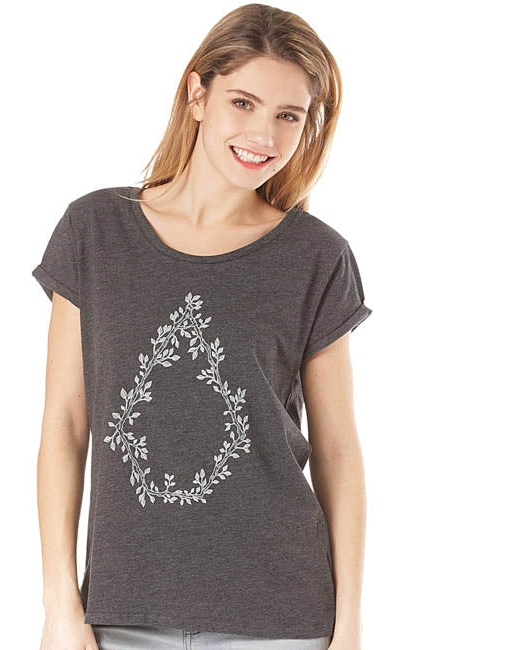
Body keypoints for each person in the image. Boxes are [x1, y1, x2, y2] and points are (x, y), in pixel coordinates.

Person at [33, 4, 373, 650]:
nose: (264, 135)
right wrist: (60, 606)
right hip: (120, 614)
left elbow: (337, 450)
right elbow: (65, 424)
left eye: (288, 116)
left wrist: (350, 626)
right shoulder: (94, 232)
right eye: (243, 103)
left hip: (280, 619)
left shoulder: (316, 257)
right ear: (197, 95)